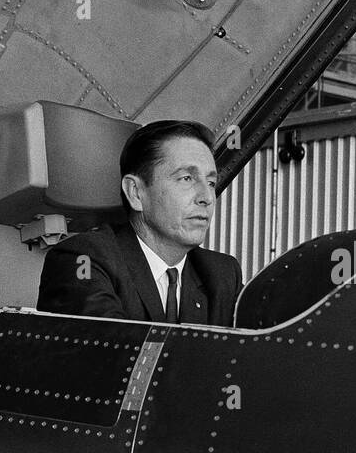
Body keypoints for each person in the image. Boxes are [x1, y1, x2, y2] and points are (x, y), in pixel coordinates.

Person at [37, 119, 242, 324]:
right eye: (186, 178)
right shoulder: (82, 260)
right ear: (136, 193)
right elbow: (114, 351)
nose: (206, 197)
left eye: (211, 182)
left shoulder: (222, 274)